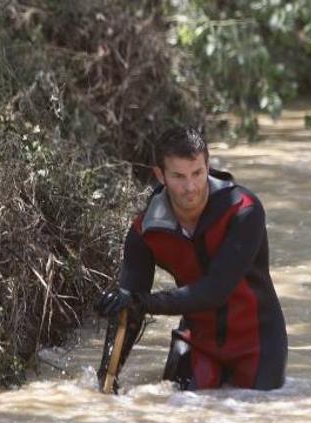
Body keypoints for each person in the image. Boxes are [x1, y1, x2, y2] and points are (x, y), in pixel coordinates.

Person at [96, 126, 287, 391]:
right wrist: (107, 376)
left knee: (253, 419)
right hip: (196, 341)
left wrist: (141, 302)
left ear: (208, 166)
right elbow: (129, 310)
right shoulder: (145, 231)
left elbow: (215, 290)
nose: (190, 187)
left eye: (197, 173)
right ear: (160, 175)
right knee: (177, 416)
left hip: (257, 345)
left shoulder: (244, 211)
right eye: (178, 176)